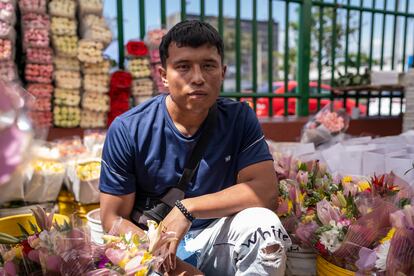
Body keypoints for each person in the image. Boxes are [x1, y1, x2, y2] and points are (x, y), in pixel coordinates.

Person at [99, 20, 291, 276]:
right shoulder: (128, 128)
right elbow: (112, 218)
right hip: (153, 245)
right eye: (184, 67)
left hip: (216, 235)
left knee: (265, 226)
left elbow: (265, 191)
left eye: (208, 66)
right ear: (164, 76)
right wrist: (166, 262)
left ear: (222, 72)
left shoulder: (239, 118)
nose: (198, 78)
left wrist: (188, 209)